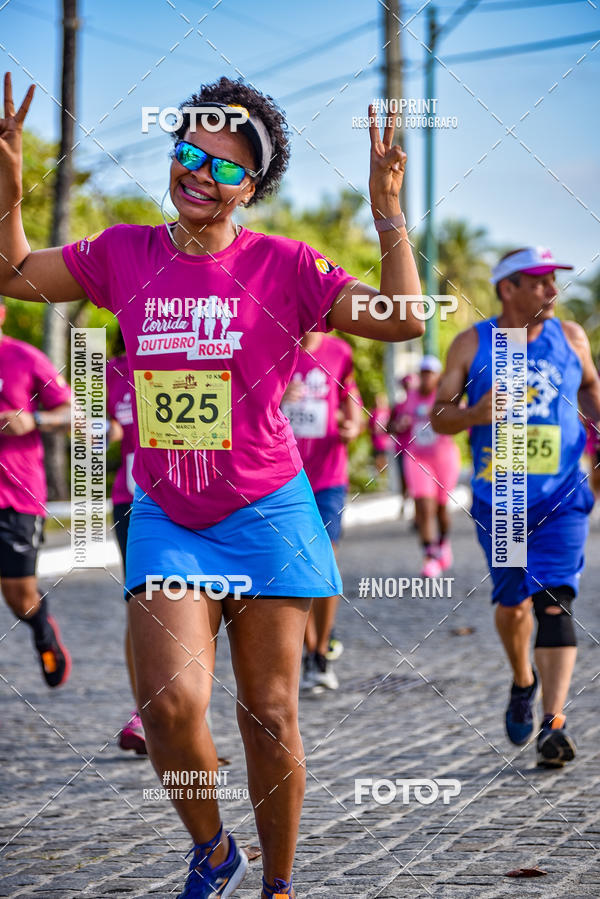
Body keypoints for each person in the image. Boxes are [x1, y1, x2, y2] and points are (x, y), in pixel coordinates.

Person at [0, 72, 424, 898]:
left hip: (268, 510)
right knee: (167, 706)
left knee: (269, 712)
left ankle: (278, 883)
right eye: (190, 153)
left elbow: (405, 319)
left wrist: (387, 214)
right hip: (170, 513)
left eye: (226, 167)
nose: (201, 174)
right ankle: (215, 848)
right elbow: (13, 271)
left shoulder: (286, 264)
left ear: (251, 187)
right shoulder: (123, 253)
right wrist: (9, 183)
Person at [432, 247, 600, 768]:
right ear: (508, 288)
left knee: (555, 601)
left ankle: (554, 724)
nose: (552, 290)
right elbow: (439, 415)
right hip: (502, 497)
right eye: (539, 282)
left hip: (563, 495)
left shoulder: (571, 337)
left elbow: (590, 387)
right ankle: (523, 680)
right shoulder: (473, 343)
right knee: (513, 606)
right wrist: (474, 414)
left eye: (553, 280)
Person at [281, 331, 362, 692]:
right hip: (283, 476)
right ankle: (311, 649)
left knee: (324, 559)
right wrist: (278, 396)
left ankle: (322, 647)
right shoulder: (272, 342)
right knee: (294, 563)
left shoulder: (339, 351)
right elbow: (245, 396)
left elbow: (350, 396)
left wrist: (353, 425)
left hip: (328, 475)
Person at [0, 296, 71, 687]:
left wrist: (34, 419)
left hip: (16, 495)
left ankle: (43, 631)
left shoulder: (25, 357)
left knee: (20, 597)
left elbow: (73, 414)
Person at [106, 331, 146, 755]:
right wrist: (102, 430)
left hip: (204, 497)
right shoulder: (110, 373)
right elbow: (86, 425)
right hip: (133, 501)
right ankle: (146, 712)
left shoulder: (196, 355)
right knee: (142, 605)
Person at [390, 357, 460, 577]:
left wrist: (444, 419)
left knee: (441, 509)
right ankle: (429, 557)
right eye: (423, 372)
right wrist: (399, 424)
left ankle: (443, 541)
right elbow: (391, 424)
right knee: (423, 506)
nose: (427, 377)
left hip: (443, 458)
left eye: (431, 373)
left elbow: (461, 421)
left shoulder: (446, 396)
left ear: (438, 376)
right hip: (417, 457)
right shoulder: (409, 396)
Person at [368, 392, 391, 475]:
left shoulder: (389, 412)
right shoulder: (375, 413)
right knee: (380, 461)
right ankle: (382, 475)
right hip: (378, 442)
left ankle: (386, 475)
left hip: (388, 442)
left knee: (387, 461)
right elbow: (370, 427)